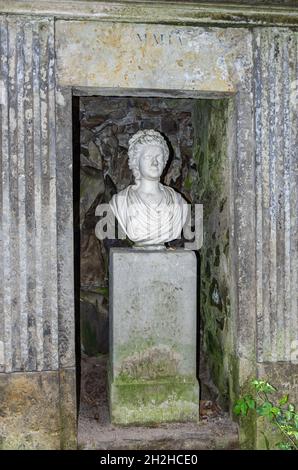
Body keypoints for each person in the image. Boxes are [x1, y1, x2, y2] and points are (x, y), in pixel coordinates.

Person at [109, 129, 188, 248]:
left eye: (159, 157)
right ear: (136, 162)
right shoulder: (121, 201)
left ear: (165, 161)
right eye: (148, 157)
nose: (154, 163)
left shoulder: (179, 202)